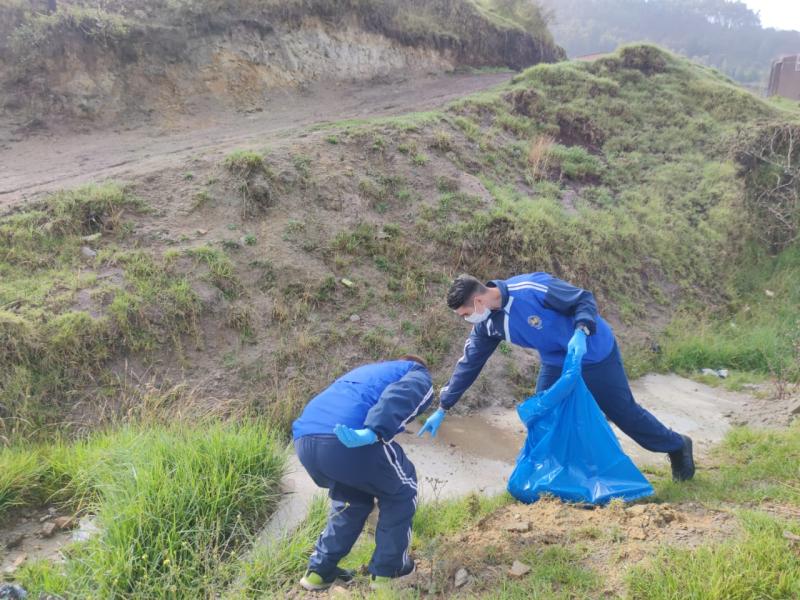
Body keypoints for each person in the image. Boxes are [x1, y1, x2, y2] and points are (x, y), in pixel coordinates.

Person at [418, 273, 695, 482]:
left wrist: (581, 331)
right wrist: (444, 406)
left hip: (593, 351)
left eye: (465, 314)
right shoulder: (488, 325)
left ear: (478, 300)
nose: (466, 319)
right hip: (555, 359)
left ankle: (676, 445)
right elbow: (470, 363)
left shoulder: (531, 289)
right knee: (542, 415)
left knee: (622, 412)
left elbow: (583, 299)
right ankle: (558, 476)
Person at [292, 355, 433, 591]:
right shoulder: (416, 372)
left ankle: (318, 572)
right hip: (349, 439)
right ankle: (390, 572)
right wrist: (374, 431)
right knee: (401, 489)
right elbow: (402, 394)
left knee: (351, 501)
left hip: (305, 440)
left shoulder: (367, 372)